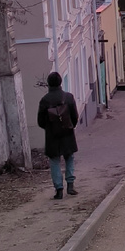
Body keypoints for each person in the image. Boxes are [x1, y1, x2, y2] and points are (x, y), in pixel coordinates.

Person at [37, 71, 79, 199]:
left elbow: (40, 121)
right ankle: (70, 184)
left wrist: (50, 128)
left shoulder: (44, 100)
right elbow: (75, 117)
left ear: (49, 84)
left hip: (52, 136)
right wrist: (70, 126)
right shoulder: (68, 97)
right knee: (69, 158)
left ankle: (59, 189)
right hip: (67, 133)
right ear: (61, 82)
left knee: (54, 161)